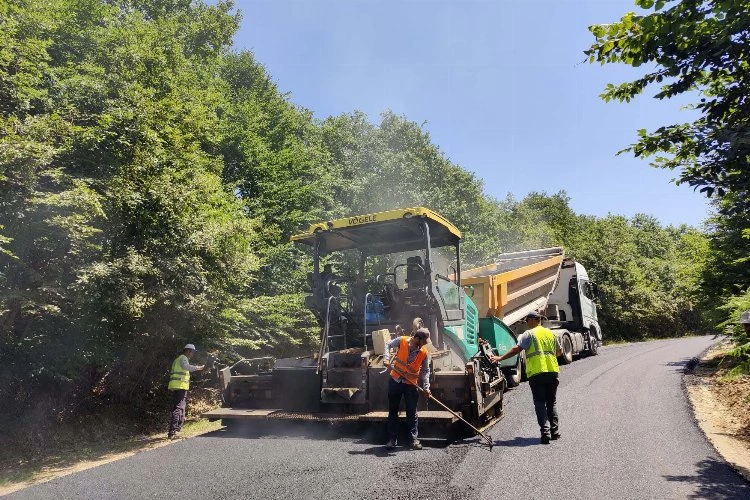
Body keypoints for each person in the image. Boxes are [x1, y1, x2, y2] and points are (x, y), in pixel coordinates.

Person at [490, 311, 563, 444]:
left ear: (533, 320)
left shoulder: (529, 334)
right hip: (552, 372)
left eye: (527, 320)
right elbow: (559, 352)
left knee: (540, 403)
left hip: (537, 373)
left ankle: (545, 433)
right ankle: (555, 432)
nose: (526, 323)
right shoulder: (550, 333)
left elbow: (516, 349)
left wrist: (500, 358)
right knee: (551, 402)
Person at [382, 328, 432, 450]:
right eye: (424, 341)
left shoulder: (424, 353)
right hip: (395, 381)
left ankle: (413, 440)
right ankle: (392, 440)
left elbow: (425, 371)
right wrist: (386, 358)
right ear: (417, 339)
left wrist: (426, 387)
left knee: (412, 413)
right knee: (393, 411)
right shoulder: (402, 341)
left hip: (411, 385)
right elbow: (387, 344)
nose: (425, 343)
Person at [167, 344, 205, 439]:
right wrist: (199, 367)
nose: (193, 354)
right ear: (188, 351)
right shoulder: (183, 358)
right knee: (179, 408)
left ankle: (177, 428)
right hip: (180, 386)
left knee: (180, 407)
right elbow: (186, 367)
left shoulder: (177, 359)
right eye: (192, 352)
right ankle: (173, 431)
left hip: (176, 386)